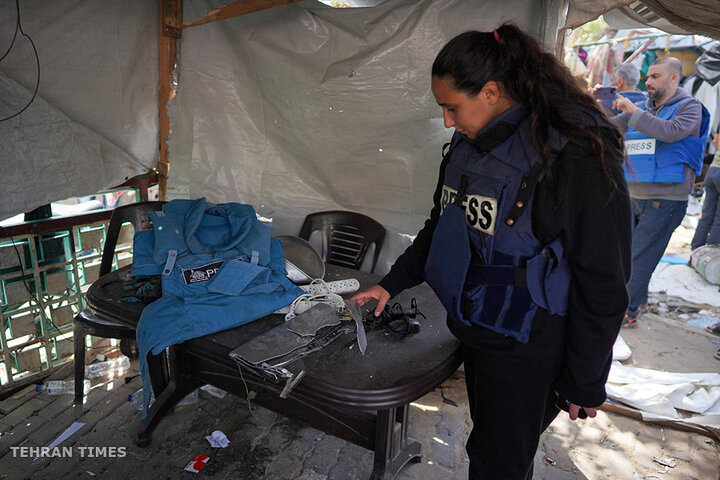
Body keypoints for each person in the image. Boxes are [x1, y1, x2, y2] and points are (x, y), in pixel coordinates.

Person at [351, 24, 632, 480]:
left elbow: (605, 278)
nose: (446, 121)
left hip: (532, 344)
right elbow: (440, 227)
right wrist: (390, 283)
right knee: (491, 444)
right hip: (477, 327)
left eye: (451, 107)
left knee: (497, 462)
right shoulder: (468, 146)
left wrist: (585, 379)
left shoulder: (573, 153)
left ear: (491, 91)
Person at [611, 57, 710, 328]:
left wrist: (634, 113)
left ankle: (628, 312)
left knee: (639, 259)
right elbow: (610, 127)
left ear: (674, 78)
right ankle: (634, 302)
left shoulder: (690, 108)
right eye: (648, 76)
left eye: (655, 76)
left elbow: (670, 132)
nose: (648, 81)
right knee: (624, 256)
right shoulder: (643, 106)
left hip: (665, 201)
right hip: (633, 195)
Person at [691, 129, 720, 250]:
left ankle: (696, 249)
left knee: (707, 214)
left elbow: (716, 140)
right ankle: (713, 251)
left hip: (713, 170)